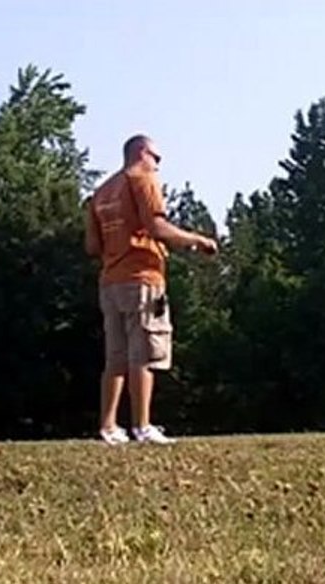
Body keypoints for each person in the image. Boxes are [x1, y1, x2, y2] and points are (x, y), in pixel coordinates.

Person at [85, 134, 218, 445]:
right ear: (142, 152)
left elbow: (92, 246)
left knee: (115, 357)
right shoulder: (142, 179)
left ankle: (108, 427)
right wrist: (198, 240)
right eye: (156, 157)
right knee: (143, 353)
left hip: (110, 281)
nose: (158, 164)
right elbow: (157, 227)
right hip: (142, 278)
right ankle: (142, 426)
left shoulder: (101, 192)